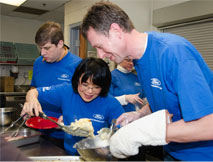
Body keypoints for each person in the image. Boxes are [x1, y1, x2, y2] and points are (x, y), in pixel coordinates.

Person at [81, 2, 213, 161]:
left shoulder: (173, 52)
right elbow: (166, 98)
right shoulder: (139, 60)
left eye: (100, 46)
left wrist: (142, 133)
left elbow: (208, 125)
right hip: (172, 152)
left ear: (116, 31)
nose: (100, 55)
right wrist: (139, 114)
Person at [21, 57, 124, 155]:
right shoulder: (66, 91)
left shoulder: (111, 103)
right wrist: (31, 101)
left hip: (97, 157)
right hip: (69, 154)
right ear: (77, 80)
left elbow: (123, 132)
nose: (89, 91)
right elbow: (33, 92)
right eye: (85, 85)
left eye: (96, 87)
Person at [31, 21, 81, 143]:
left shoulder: (77, 65)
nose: (42, 53)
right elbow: (34, 88)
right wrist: (31, 105)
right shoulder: (38, 63)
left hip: (66, 135)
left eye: (47, 48)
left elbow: (85, 100)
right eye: (40, 48)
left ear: (60, 44)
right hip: (39, 130)